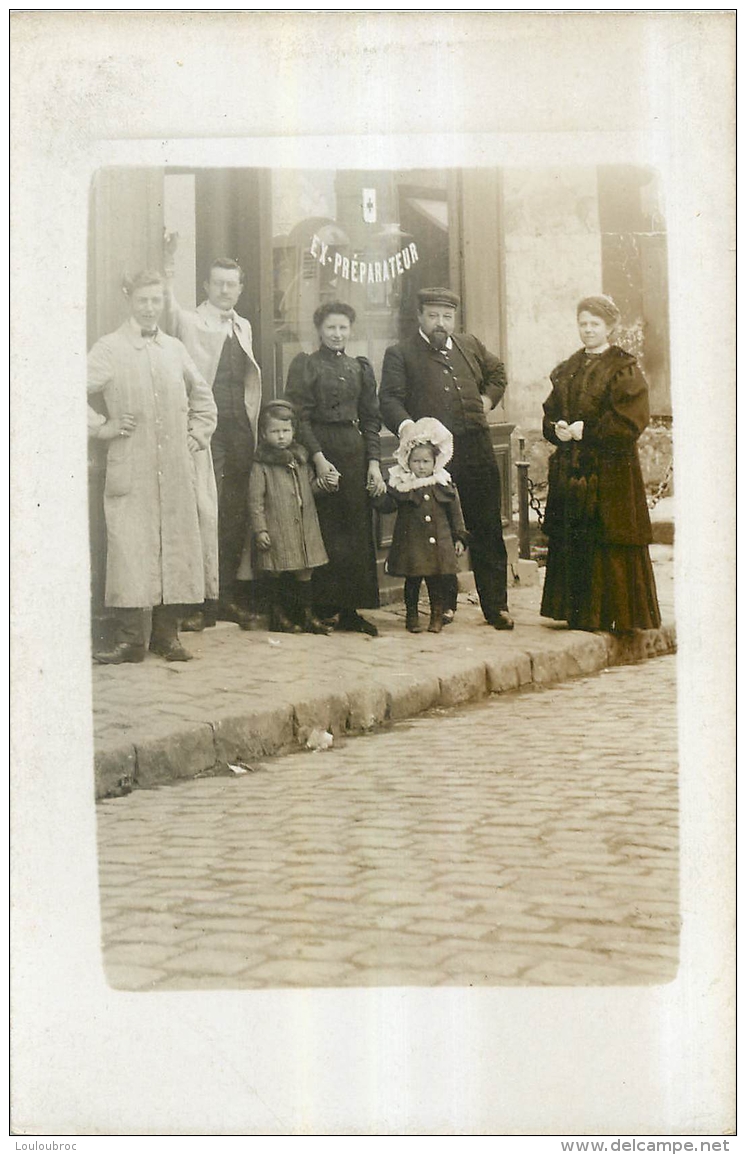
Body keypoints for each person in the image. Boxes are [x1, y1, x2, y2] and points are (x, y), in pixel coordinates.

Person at [87, 270, 218, 663]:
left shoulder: (175, 348)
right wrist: (104, 427)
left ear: (163, 302)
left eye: (156, 300)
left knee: (175, 545)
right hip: (132, 465)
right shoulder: (110, 348)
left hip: (175, 467)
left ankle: (167, 635)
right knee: (130, 548)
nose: (149, 308)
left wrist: (197, 433)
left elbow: (204, 397)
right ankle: (130, 641)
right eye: (142, 300)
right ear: (130, 300)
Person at [380, 287, 514, 630]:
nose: (441, 323)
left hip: (478, 449)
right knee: (439, 529)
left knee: (486, 526)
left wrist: (486, 401)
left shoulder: (469, 345)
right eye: (434, 316)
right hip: (435, 458)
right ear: (420, 317)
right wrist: (410, 429)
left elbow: (498, 373)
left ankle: (496, 606)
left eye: (447, 316)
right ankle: (446, 604)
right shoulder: (401, 353)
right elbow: (390, 400)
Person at [540, 294, 662, 633]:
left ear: (609, 327)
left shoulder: (623, 368)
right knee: (578, 538)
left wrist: (587, 431)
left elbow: (631, 421)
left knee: (608, 537)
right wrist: (556, 429)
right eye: (583, 324)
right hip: (574, 470)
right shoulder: (569, 368)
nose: (588, 330)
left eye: (594, 324)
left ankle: (614, 615)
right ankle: (581, 613)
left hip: (612, 472)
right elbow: (550, 411)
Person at [162, 239, 262, 631]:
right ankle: (200, 600)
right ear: (205, 287)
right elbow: (168, 310)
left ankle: (227, 598)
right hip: (206, 429)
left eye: (231, 284)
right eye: (217, 283)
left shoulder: (244, 326)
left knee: (236, 510)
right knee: (205, 509)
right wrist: (169, 264)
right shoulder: (190, 321)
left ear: (240, 288)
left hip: (240, 428)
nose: (224, 290)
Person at [284, 301, 387, 636]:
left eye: (343, 327)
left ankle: (350, 609)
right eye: (331, 327)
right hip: (319, 450)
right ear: (319, 330)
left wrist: (373, 463)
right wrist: (317, 458)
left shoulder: (360, 367)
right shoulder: (306, 366)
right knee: (321, 529)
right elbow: (299, 416)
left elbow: (371, 419)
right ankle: (318, 607)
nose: (337, 333)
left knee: (355, 530)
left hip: (353, 451)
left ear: (350, 330)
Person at [374, 418, 468, 634]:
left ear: (435, 462)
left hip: (438, 542)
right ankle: (412, 615)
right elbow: (389, 505)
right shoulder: (403, 484)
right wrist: (378, 495)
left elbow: (455, 513)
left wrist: (459, 537)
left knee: (436, 582)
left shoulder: (443, 483)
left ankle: (436, 616)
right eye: (416, 461)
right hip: (412, 544)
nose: (421, 466)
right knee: (413, 581)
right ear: (408, 461)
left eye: (426, 461)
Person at [245, 400, 331, 635]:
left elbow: (309, 488)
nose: (281, 436)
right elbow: (255, 500)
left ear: (293, 431)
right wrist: (261, 529)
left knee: (305, 570)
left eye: (285, 431)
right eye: (275, 431)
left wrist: (323, 485)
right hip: (277, 527)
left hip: (303, 527)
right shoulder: (262, 464)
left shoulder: (301, 459)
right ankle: (277, 616)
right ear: (264, 433)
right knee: (276, 569)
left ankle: (306, 615)